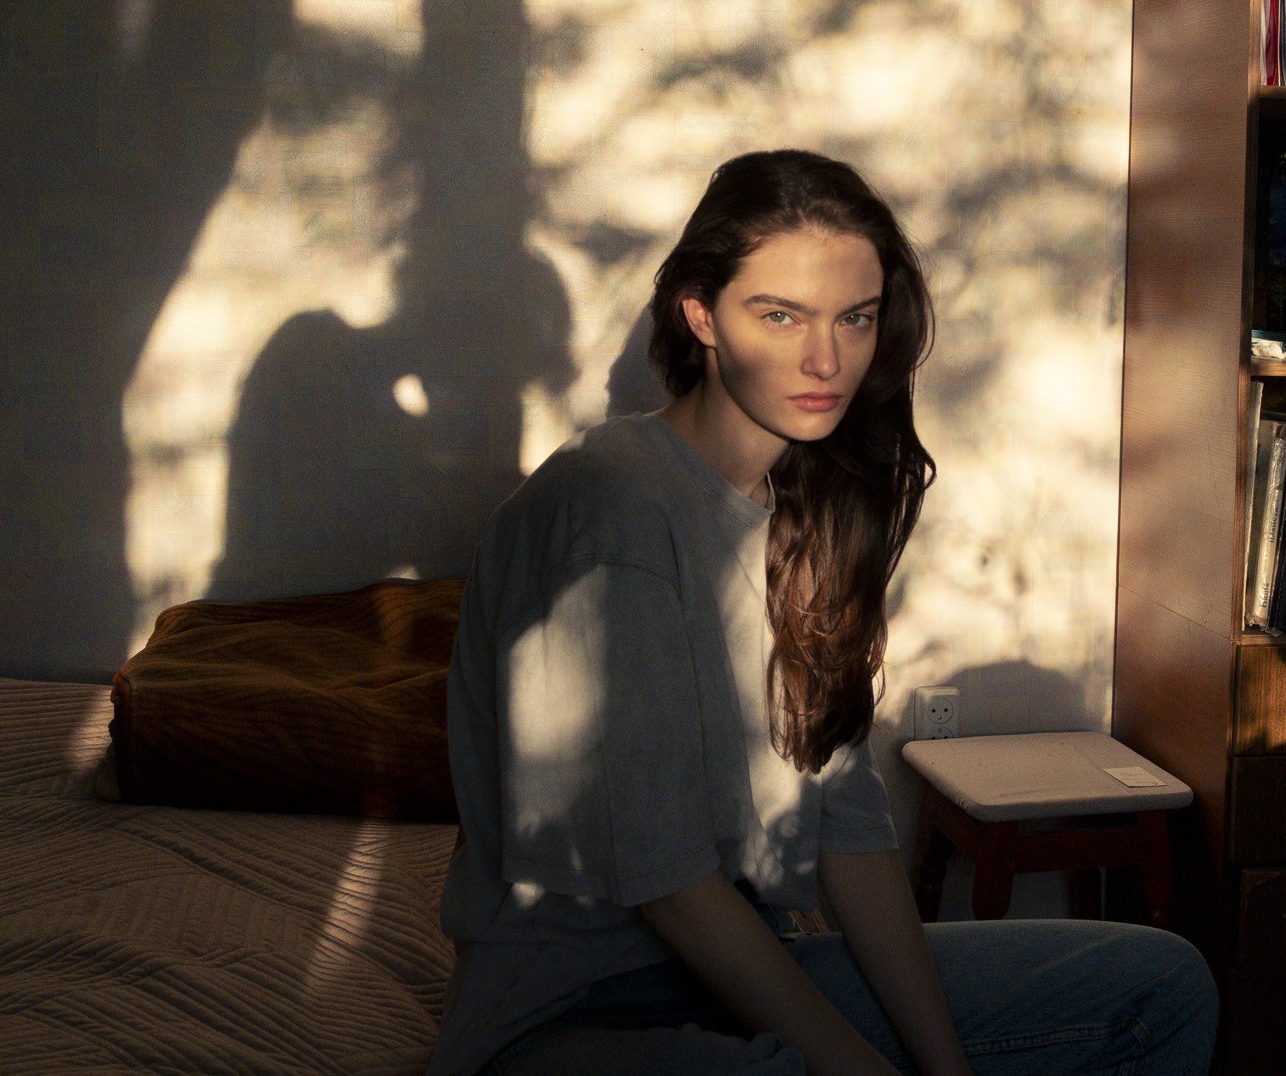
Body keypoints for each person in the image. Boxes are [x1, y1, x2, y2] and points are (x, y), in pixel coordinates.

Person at [430, 149, 1218, 1076]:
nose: (826, 360)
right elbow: (671, 886)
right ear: (701, 314)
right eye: (781, 315)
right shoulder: (610, 508)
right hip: (573, 1013)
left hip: (738, 973)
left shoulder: (805, 516)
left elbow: (849, 828)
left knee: (1162, 984)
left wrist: (946, 1066)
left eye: (855, 317)